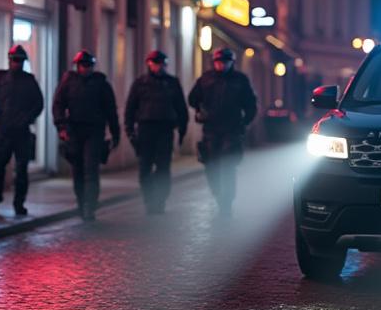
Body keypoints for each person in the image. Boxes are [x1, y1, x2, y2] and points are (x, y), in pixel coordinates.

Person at [187, 48, 257, 217]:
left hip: (231, 129)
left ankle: (227, 200)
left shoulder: (240, 80)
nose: (221, 65)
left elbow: (250, 105)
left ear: (231, 63)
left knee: (228, 166)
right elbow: (192, 98)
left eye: (225, 62)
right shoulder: (205, 79)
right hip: (211, 129)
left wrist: (244, 122)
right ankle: (218, 193)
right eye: (218, 62)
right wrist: (200, 110)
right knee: (211, 164)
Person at [51, 51, 120, 221]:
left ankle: (90, 206)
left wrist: (115, 132)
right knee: (78, 171)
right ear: (77, 66)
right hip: (74, 132)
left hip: (94, 132)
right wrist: (61, 126)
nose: (85, 69)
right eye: (83, 65)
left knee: (91, 170)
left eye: (88, 65)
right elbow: (58, 105)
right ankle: (82, 203)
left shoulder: (101, 84)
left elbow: (111, 110)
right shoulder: (68, 82)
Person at [0, 44, 44, 215]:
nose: (17, 63)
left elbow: (39, 103)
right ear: (10, 60)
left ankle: (19, 203)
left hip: (22, 132)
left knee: (22, 169)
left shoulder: (29, 80)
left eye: (20, 61)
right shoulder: (0, 79)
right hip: (4, 131)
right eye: (15, 60)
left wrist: (28, 118)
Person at [124, 50, 188, 214]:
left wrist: (182, 130)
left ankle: (160, 200)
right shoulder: (140, 83)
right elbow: (130, 108)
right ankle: (149, 200)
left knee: (163, 168)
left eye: (160, 64)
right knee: (145, 168)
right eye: (154, 63)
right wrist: (130, 130)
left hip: (165, 130)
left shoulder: (172, 83)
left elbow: (181, 108)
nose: (157, 67)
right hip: (145, 130)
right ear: (149, 64)